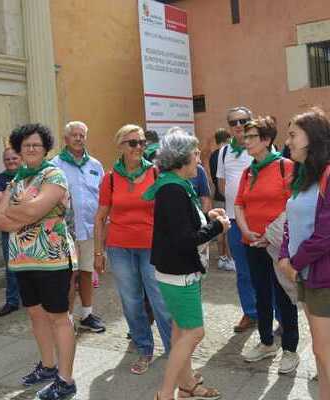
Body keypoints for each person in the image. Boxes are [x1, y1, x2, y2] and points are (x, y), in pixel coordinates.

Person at [0, 124, 77, 400]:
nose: (31, 149)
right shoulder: (17, 179)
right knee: (36, 315)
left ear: (45, 148)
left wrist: (15, 213)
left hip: (51, 259)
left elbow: (34, 210)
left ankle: (66, 381)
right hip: (22, 259)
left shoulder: (53, 174)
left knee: (59, 318)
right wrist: (22, 214)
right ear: (19, 149)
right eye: (26, 145)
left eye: (36, 145)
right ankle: (48, 367)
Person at [144, 131, 230, 400]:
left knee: (181, 331)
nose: (199, 159)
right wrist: (218, 226)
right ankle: (165, 393)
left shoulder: (176, 185)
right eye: (195, 154)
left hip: (179, 271)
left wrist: (207, 215)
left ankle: (188, 384)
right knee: (194, 332)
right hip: (178, 273)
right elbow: (185, 240)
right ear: (182, 159)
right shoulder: (172, 189)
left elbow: (182, 224)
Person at [94, 124, 171, 375]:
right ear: (121, 146)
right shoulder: (111, 178)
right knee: (131, 302)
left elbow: (167, 212)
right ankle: (144, 349)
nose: (139, 147)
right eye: (132, 143)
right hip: (119, 247)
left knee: (160, 299)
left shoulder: (156, 173)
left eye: (141, 142)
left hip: (151, 247)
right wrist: (98, 251)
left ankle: (174, 351)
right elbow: (100, 216)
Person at [234, 117, 299, 373]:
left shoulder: (286, 167)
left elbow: (293, 205)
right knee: (261, 294)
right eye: (245, 136)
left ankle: (290, 350)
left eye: (251, 137)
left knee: (284, 296)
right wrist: (246, 230)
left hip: (278, 245)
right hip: (252, 242)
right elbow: (239, 204)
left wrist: (269, 235)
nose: (245, 140)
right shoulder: (248, 171)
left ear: (266, 140)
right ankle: (266, 342)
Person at [278, 108, 330, 399]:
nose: (287, 142)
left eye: (293, 135)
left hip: (323, 277)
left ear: (313, 138)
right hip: (306, 275)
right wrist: (286, 256)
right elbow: (291, 222)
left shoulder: (328, 174)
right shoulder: (303, 177)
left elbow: (325, 234)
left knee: (325, 351)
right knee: (321, 352)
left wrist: (293, 262)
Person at [51, 121, 105, 333]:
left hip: (91, 230)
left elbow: (102, 198)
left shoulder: (95, 165)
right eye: (74, 135)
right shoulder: (56, 165)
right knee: (68, 276)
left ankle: (86, 314)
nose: (78, 138)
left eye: (82, 135)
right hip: (65, 232)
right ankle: (67, 319)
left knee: (86, 271)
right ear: (65, 139)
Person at [216, 106, 258, 332]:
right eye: (234, 123)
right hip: (234, 220)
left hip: (260, 220)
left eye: (243, 121)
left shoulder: (264, 146)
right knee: (243, 271)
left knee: (268, 269)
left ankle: (277, 314)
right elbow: (222, 185)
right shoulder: (224, 152)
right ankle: (250, 313)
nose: (239, 126)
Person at [0, 148, 22, 317]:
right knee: (11, 267)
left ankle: (33, 298)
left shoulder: (28, 176)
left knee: (33, 263)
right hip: (8, 228)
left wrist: (9, 200)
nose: (11, 161)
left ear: (21, 158)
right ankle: (12, 301)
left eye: (14, 158)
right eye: (7, 159)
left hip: (29, 227)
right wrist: (22, 203)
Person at [209, 128, 235, 271]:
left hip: (217, 196)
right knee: (229, 228)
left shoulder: (213, 155)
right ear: (227, 139)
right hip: (227, 196)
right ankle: (231, 258)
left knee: (219, 228)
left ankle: (221, 257)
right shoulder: (226, 153)